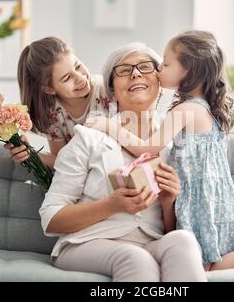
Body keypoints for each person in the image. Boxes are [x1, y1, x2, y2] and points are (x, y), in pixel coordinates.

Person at [86, 30, 234, 271]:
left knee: (205, 267)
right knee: (209, 249)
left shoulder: (185, 111)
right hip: (213, 191)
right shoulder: (207, 108)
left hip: (197, 193)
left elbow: (147, 148)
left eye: (166, 64)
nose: (159, 70)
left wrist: (109, 126)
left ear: (188, 71)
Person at [38, 42, 207, 282]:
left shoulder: (176, 146)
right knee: (135, 258)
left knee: (183, 241)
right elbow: (51, 218)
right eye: (124, 70)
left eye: (145, 67)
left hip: (150, 243)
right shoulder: (89, 138)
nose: (136, 73)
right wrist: (111, 205)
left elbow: (170, 229)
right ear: (112, 92)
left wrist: (169, 202)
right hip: (87, 243)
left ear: (159, 85)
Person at [4, 36, 111, 168]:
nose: (80, 78)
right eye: (67, 78)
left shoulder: (107, 90)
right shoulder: (52, 114)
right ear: (49, 89)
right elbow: (61, 160)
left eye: (77, 66)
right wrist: (30, 154)